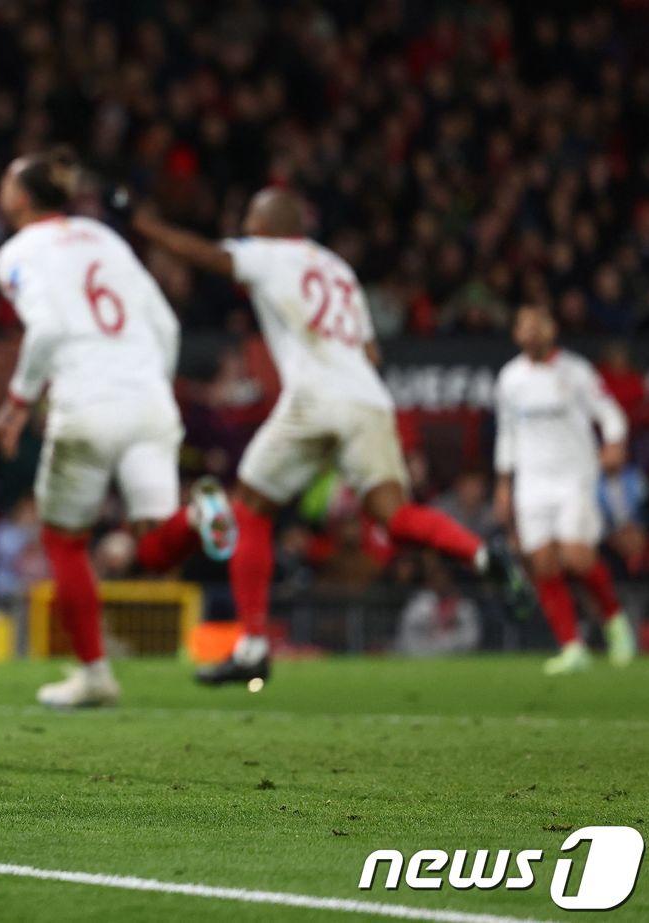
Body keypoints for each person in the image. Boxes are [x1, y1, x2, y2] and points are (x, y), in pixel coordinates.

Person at [134, 188, 533, 686]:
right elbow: (371, 353)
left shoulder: (268, 253)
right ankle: (481, 553)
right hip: (369, 399)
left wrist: (147, 227)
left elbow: (209, 256)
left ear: (266, 225)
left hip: (315, 396)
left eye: (250, 221)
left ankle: (253, 646)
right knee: (395, 515)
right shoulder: (338, 269)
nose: (246, 230)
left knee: (250, 508)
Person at [0, 149, 236, 708]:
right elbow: (166, 325)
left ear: (21, 198)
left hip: (87, 403)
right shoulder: (105, 238)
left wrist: (18, 403)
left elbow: (47, 330)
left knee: (64, 539)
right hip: (149, 400)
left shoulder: (17, 252)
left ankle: (95, 673)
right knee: (155, 543)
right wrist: (150, 385)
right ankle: (200, 516)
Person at [493, 304, 636, 673]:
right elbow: (507, 433)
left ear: (551, 329)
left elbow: (609, 412)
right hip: (531, 482)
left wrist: (614, 442)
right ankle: (572, 646)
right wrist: (504, 484)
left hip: (575, 476)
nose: (531, 332)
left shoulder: (575, 371)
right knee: (542, 563)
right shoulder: (510, 378)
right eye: (524, 326)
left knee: (576, 556)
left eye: (537, 325)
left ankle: (615, 621)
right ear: (516, 334)